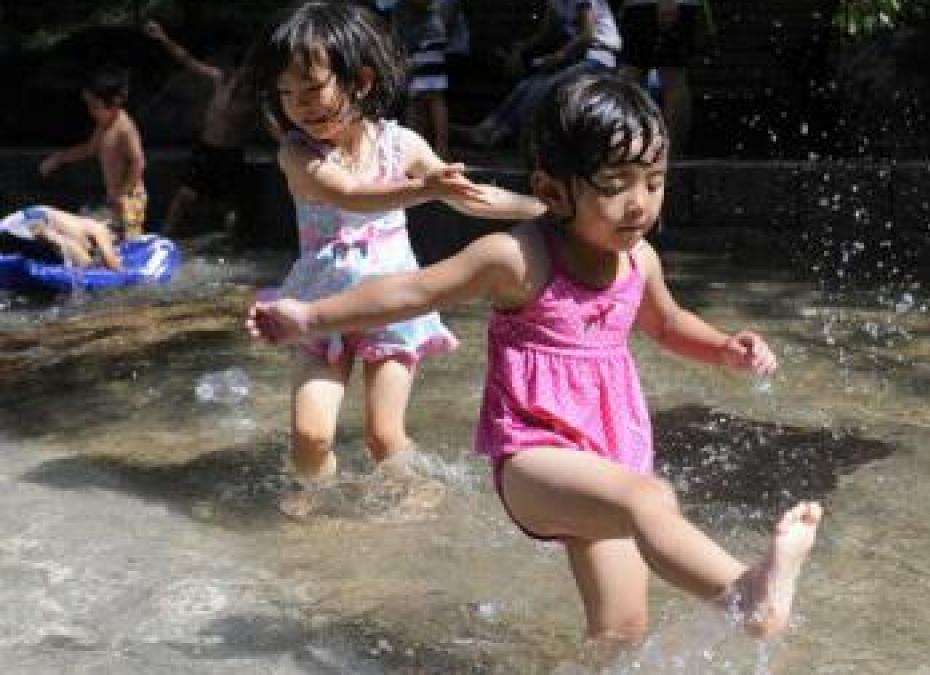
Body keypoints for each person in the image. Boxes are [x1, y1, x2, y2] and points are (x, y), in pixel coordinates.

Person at [248, 72, 822, 641]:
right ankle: (746, 594)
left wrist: (724, 348)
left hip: (612, 462)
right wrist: (311, 316)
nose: (639, 203)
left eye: (653, 181)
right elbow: (410, 291)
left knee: (622, 630)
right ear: (551, 192)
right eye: (617, 184)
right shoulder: (519, 260)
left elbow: (668, 325)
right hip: (534, 457)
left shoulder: (638, 261)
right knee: (652, 499)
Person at [251, 1, 545, 515]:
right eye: (287, 94)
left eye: (313, 88)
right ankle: (317, 515)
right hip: (318, 306)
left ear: (360, 81)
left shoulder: (401, 143)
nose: (299, 105)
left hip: (392, 305)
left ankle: (420, 497)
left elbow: (468, 196)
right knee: (309, 435)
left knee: (383, 437)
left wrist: (550, 209)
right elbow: (348, 194)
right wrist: (420, 190)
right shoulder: (297, 153)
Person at [143, 20, 260, 236]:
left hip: (229, 154)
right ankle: (166, 235)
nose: (225, 69)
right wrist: (163, 39)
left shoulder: (252, 97)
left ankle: (230, 243)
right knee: (184, 195)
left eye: (232, 67)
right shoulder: (219, 79)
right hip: (206, 148)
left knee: (230, 205)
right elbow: (187, 61)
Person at [454, 0, 621, 149]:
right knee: (529, 84)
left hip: (598, 58)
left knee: (547, 87)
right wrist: (519, 50)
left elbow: (588, 35)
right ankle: (487, 128)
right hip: (574, 58)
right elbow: (545, 32)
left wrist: (559, 56)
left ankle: (502, 134)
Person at [39, 65, 148, 238]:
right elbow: (90, 149)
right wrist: (58, 159)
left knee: (123, 241)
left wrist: (122, 195)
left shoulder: (124, 128)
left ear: (116, 102)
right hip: (114, 199)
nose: (91, 112)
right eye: (88, 106)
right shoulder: (104, 125)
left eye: (95, 106)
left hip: (130, 200)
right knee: (89, 229)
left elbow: (138, 162)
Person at [618, 0, 707, 155]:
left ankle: (670, 154)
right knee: (632, 77)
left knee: (669, 77)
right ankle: (636, 148)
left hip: (657, 5)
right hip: (644, 6)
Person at [376, 0, 451, 157]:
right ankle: (421, 147)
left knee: (432, 97)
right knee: (418, 99)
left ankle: (440, 147)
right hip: (417, 41)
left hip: (424, 42)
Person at [0, 205, 123, 271]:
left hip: (16, 223)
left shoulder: (76, 224)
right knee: (85, 262)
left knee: (81, 255)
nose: (113, 243)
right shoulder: (99, 227)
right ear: (107, 223)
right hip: (37, 220)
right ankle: (44, 232)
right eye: (115, 239)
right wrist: (128, 274)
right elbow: (112, 262)